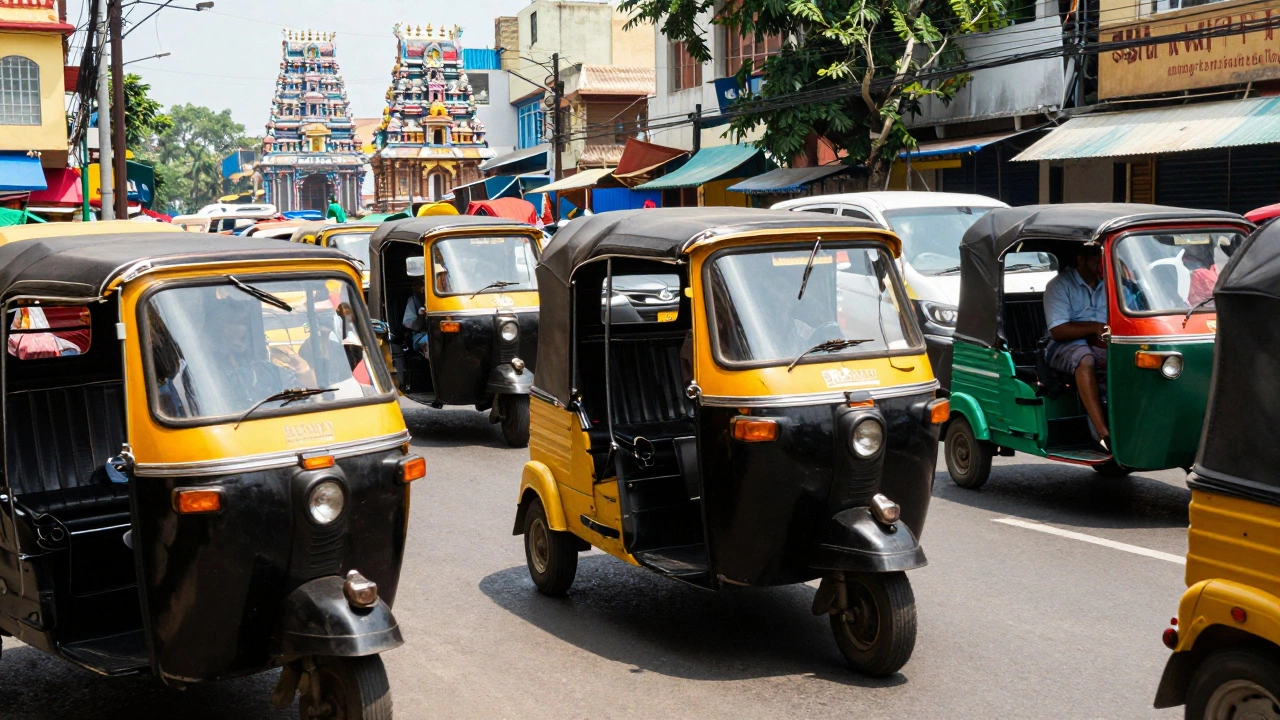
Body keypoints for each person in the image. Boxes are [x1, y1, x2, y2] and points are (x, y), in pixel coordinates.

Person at [1043, 245, 1110, 451]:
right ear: (1081, 260)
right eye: (1097, 259)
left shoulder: (1109, 284)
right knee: (1085, 359)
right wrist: (1093, 327)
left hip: (1101, 341)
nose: (1102, 264)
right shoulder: (1059, 285)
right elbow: (1058, 331)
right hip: (1063, 345)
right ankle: (1101, 431)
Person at [403, 279, 429, 357]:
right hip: (421, 335)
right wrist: (421, 316)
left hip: (441, 334)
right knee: (431, 342)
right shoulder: (413, 301)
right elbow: (414, 326)